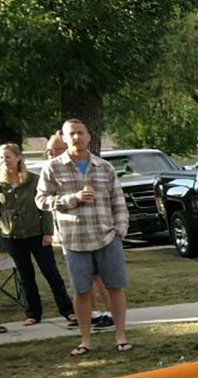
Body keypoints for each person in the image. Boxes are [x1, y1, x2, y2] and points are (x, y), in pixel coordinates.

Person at [36, 119, 132, 356]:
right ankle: (85, 340)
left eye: (81, 133)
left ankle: (121, 336)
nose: (77, 137)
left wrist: (120, 230)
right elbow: (41, 200)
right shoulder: (53, 168)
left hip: (107, 237)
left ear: (89, 136)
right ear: (64, 138)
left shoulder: (104, 167)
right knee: (81, 291)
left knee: (115, 287)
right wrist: (72, 199)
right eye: (72, 134)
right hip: (74, 240)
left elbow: (118, 202)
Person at [2, 142, 78, 328]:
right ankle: (33, 313)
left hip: (36, 234)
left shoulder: (34, 180)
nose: (4, 161)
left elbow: (45, 208)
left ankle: (68, 310)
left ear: (18, 158)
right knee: (25, 276)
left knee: (50, 272)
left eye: (8, 157)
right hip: (12, 237)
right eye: (1, 158)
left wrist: (47, 232)